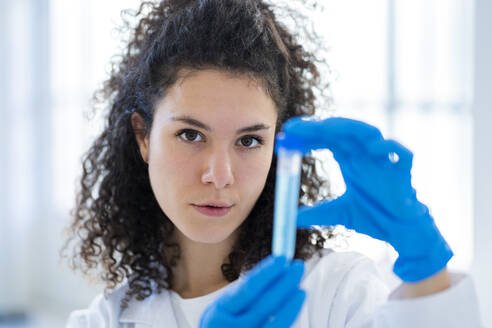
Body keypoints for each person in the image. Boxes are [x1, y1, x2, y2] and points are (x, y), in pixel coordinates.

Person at [63, 0, 483, 327]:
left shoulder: (337, 293)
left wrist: (425, 264)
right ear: (143, 137)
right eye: (191, 135)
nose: (220, 176)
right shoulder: (105, 320)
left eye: (249, 140)